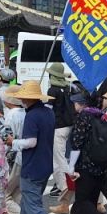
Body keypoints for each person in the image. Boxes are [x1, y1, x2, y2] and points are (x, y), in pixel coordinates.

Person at [3, 81, 69, 214]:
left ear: (26, 97)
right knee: (28, 202)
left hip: (32, 165)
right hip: (45, 162)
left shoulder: (31, 116)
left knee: (32, 205)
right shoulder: (48, 112)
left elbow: (31, 142)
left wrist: (12, 142)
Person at [65, 91, 107, 214]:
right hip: (101, 164)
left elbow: (76, 144)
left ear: (82, 104)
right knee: (93, 198)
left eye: (76, 102)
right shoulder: (100, 115)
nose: (74, 105)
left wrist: (71, 167)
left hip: (86, 164)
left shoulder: (82, 117)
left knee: (82, 200)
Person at [0, 85, 25, 214]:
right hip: (22, 157)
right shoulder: (24, 112)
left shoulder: (11, 115)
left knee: (4, 194)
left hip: (12, 157)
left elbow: (6, 138)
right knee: (16, 193)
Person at [45, 63, 75, 201]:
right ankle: (65, 184)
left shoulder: (53, 91)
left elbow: (48, 109)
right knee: (63, 156)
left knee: (58, 158)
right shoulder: (68, 88)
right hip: (69, 124)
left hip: (58, 126)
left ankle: (63, 186)